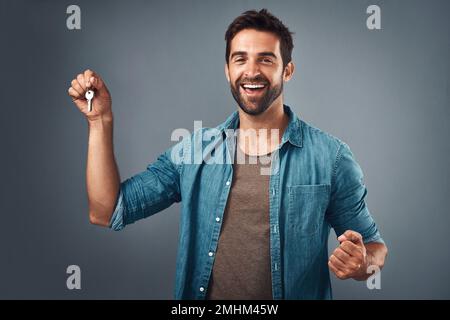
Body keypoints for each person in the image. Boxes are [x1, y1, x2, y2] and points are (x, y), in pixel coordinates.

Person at [68, 9, 387, 300]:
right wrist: (100, 121)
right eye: (240, 59)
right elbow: (107, 210)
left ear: (287, 70)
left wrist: (363, 265)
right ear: (227, 69)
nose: (252, 71)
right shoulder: (193, 153)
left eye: (266, 59)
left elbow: (375, 247)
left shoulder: (330, 158)